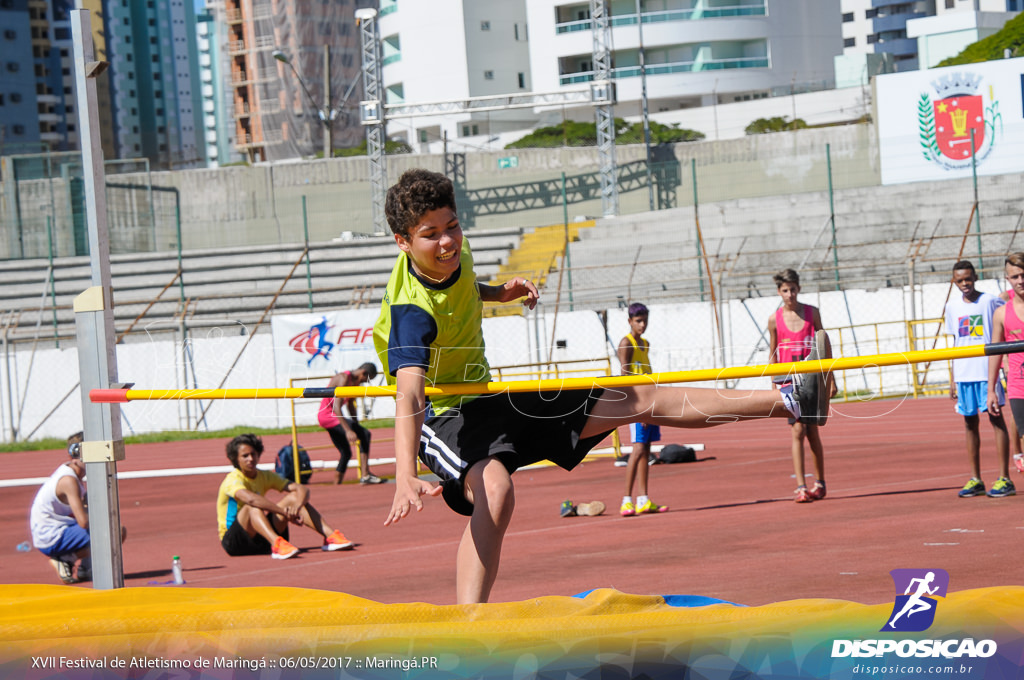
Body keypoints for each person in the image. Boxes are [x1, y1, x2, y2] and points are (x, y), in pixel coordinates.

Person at [372, 169, 829, 604]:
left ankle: (792, 398)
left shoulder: (454, 251)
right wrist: (406, 474)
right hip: (445, 415)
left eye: (452, 226)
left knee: (639, 396)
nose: (448, 241)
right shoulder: (410, 314)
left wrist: (497, 294)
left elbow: (461, 282)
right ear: (403, 242)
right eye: (431, 235)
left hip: (491, 399)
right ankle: (468, 626)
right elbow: (409, 394)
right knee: (496, 491)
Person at [216, 433, 355, 559]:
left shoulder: (264, 475)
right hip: (235, 542)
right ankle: (277, 544)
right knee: (252, 507)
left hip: (260, 539)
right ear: (235, 459)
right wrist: (284, 512)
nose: (250, 459)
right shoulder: (232, 480)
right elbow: (250, 499)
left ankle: (330, 536)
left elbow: (301, 489)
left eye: (253, 454)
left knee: (294, 498)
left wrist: (297, 507)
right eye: (245, 456)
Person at [943, 260, 1012, 498]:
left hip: (986, 372)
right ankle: (976, 478)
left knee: (996, 419)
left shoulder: (990, 301)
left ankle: (1004, 477)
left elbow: (1009, 313)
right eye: (960, 280)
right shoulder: (951, 307)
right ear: (954, 281)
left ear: (975, 277)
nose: (965, 284)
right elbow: (954, 343)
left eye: (968, 279)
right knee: (969, 423)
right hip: (964, 373)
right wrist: (953, 377)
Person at [768, 269, 836, 503]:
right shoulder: (774, 319)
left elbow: (824, 346)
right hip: (789, 382)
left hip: (813, 379)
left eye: (793, 289)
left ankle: (820, 482)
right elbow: (773, 353)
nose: (790, 294)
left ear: (799, 288)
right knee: (798, 430)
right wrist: (772, 385)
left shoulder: (811, 313)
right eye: (785, 290)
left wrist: (831, 379)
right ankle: (801, 486)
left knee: (813, 431)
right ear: (779, 292)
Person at [29, 432, 127, 584]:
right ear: (78, 455)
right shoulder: (69, 481)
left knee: (105, 527)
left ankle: (86, 568)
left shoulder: (71, 474)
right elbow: (83, 522)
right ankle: (66, 559)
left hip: (54, 529)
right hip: (50, 537)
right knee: (116, 531)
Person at [616, 302, 668, 516]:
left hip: (649, 402)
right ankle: (626, 499)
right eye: (638, 321)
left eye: (645, 320)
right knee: (637, 449)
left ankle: (643, 498)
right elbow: (624, 378)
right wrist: (638, 409)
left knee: (646, 449)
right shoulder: (626, 344)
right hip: (637, 405)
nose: (643, 324)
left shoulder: (645, 344)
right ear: (630, 322)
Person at [987, 253, 1024, 492]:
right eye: (1015, 276)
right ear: (1007, 279)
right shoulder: (1001, 313)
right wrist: (991, 389)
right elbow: (995, 352)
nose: (1020, 280)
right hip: (1018, 385)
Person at [318, 363, 384, 485]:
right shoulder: (343, 378)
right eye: (366, 379)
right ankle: (365, 475)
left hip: (330, 417)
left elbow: (350, 406)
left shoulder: (354, 382)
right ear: (363, 373)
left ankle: (336, 485)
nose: (364, 382)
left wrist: (356, 425)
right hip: (329, 415)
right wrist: (348, 430)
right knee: (365, 434)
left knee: (346, 452)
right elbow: (337, 407)